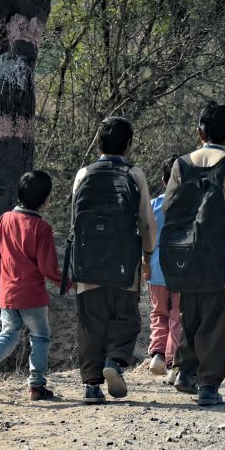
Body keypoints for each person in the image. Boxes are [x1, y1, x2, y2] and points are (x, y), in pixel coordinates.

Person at [162, 102, 225, 406]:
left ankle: (185, 371)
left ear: (199, 132)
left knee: (189, 314)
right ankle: (208, 386)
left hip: (184, 256)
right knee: (216, 322)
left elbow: (168, 209)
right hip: (220, 257)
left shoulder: (181, 165)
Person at [70, 117, 155, 404]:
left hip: (88, 261)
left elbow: (74, 222)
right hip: (123, 259)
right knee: (125, 316)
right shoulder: (134, 175)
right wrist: (148, 255)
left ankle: (91, 386)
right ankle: (115, 361)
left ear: (98, 143)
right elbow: (145, 221)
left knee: (90, 321)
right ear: (129, 145)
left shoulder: (84, 174)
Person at [0, 170, 65, 401]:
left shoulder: (5, 220)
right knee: (40, 337)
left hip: (8, 295)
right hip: (33, 297)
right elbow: (47, 268)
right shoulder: (42, 228)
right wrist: (65, 280)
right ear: (46, 200)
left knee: (9, 333)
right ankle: (36, 385)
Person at [145, 155, 182, 385]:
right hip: (181, 271)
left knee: (159, 314)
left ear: (162, 179)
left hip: (156, 271)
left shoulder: (153, 205)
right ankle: (173, 363)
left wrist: (144, 263)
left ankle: (157, 354)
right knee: (177, 315)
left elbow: (145, 237)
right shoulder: (189, 206)